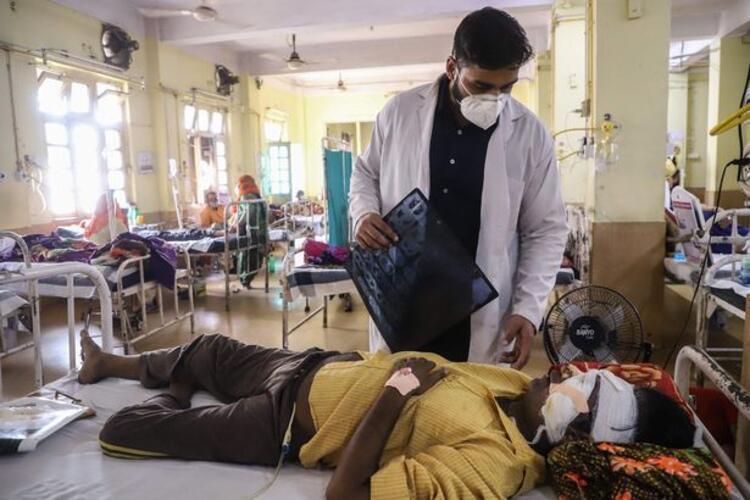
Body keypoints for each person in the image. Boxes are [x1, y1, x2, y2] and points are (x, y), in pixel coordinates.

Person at [79, 333, 695, 500]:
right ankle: (108, 362)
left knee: (125, 430)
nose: (562, 373)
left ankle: (174, 395)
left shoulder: (495, 464)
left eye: (581, 390)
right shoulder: (516, 385)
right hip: (310, 364)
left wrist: (397, 392)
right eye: (583, 372)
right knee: (209, 347)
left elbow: (347, 493)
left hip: (285, 423)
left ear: (571, 433)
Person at [349, 7, 568, 367]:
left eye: (506, 87)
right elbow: (365, 172)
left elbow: (546, 229)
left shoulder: (529, 135)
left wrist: (528, 309)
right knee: (398, 390)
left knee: (471, 397)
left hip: (478, 311)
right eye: (481, 86)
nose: (494, 98)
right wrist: (363, 212)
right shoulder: (400, 113)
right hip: (407, 298)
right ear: (452, 67)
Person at [230, 175, 268, 287]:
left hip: (250, 232)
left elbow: (248, 213)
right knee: (255, 257)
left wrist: (237, 224)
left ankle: (245, 279)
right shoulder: (256, 195)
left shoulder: (246, 196)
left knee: (247, 257)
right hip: (259, 231)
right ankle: (247, 279)